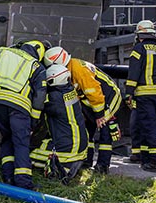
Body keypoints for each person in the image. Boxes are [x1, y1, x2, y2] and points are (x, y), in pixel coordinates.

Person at [0, 40, 47, 190]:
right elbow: (40, 95)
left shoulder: (2, 52)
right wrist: (34, 121)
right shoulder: (37, 66)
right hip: (18, 107)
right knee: (21, 142)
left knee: (7, 138)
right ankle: (23, 182)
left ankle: (8, 177)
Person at [43, 46, 122, 174]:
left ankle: (103, 166)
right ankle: (86, 161)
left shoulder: (79, 69)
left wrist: (100, 115)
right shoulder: (69, 69)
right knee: (86, 130)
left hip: (108, 98)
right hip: (92, 101)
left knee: (105, 131)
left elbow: (94, 93)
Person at [125, 20, 156, 173]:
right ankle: (145, 156)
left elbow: (133, 74)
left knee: (148, 125)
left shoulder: (139, 49)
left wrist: (129, 93)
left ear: (139, 35)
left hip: (144, 94)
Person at [38, 63, 88, 184]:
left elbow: (37, 104)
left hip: (68, 147)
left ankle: (60, 166)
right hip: (81, 146)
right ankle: (70, 164)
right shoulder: (70, 90)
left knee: (27, 151)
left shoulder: (53, 98)